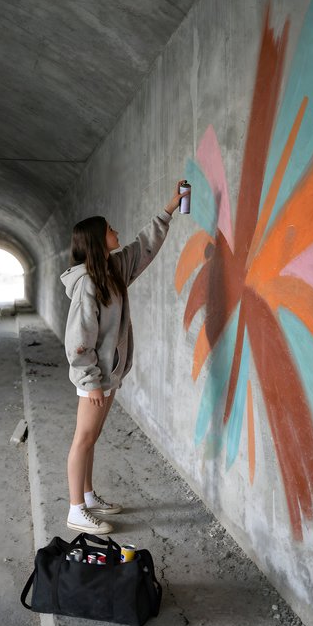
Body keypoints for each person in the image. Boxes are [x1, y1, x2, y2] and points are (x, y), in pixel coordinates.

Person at [60, 180, 189, 535]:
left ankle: (87, 496)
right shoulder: (87, 284)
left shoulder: (112, 271)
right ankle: (75, 510)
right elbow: (78, 342)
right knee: (83, 439)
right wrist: (91, 382)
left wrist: (168, 209)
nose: (116, 232)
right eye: (110, 230)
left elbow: (143, 247)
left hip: (108, 374)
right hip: (94, 377)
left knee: (92, 437)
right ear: (98, 240)